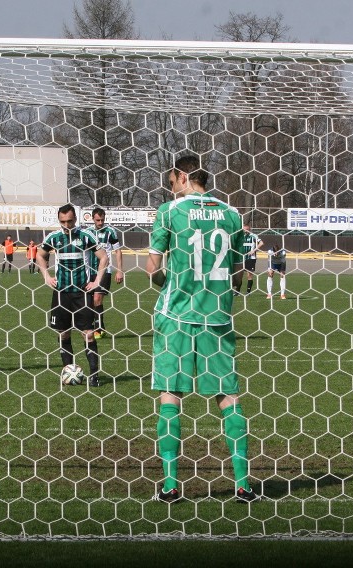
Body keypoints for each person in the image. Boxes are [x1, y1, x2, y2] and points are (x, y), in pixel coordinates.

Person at [146, 154, 259, 504]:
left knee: (170, 394)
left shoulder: (170, 211)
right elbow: (241, 274)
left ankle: (170, 486)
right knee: (228, 398)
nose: (171, 188)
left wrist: (168, 283)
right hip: (218, 318)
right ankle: (242, 485)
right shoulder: (232, 214)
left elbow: (152, 269)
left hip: (176, 316)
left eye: (171, 182)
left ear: (182, 177)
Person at [37, 204, 108, 387]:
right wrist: (46, 276)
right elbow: (40, 255)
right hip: (61, 293)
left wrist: (97, 281)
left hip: (81, 292)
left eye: (69, 221)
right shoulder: (54, 237)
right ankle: (69, 371)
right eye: (62, 222)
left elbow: (104, 258)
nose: (66, 225)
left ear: (75, 219)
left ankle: (94, 375)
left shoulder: (85, 236)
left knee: (89, 334)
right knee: (64, 335)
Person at [89, 207, 124, 339]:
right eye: (98, 220)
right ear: (93, 219)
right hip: (89, 270)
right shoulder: (88, 232)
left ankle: (98, 329)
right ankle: (96, 325)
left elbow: (118, 251)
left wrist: (119, 271)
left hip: (105, 271)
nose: (100, 222)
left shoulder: (110, 231)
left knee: (97, 298)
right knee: (90, 300)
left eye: (102, 220)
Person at [235, 222, 262, 296]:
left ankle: (248, 292)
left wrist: (254, 250)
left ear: (249, 229)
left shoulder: (253, 236)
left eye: (247, 229)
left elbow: (261, 243)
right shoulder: (240, 236)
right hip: (241, 258)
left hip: (251, 258)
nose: (245, 231)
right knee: (239, 275)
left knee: (249, 275)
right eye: (244, 230)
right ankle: (237, 291)